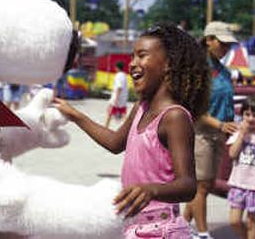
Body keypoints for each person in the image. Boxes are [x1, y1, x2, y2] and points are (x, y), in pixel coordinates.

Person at [55, 22, 210, 238]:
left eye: (142, 55)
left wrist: (151, 189)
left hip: (162, 229)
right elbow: (115, 143)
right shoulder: (140, 107)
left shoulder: (175, 117)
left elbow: (188, 185)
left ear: (168, 64)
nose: (132, 63)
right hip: (134, 226)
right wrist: (75, 116)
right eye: (132, 56)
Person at [183, 21, 239, 239]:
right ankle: (203, 233)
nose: (226, 48)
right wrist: (221, 125)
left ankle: (180, 227)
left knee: (204, 184)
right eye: (222, 43)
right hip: (201, 133)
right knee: (201, 187)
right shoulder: (198, 70)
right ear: (209, 40)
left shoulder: (223, 71)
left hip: (219, 134)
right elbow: (193, 107)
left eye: (229, 45)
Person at [226, 95, 255, 239]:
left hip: (254, 187)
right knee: (234, 221)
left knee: (252, 224)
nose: (250, 118)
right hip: (238, 184)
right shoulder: (238, 134)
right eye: (247, 114)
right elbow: (232, 154)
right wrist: (242, 134)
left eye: (254, 115)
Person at [104, 61, 128, 128]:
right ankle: (128, 129)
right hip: (122, 99)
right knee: (123, 114)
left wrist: (115, 99)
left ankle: (105, 127)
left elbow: (119, 87)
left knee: (109, 112)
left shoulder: (119, 75)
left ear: (117, 68)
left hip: (117, 98)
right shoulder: (124, 75)